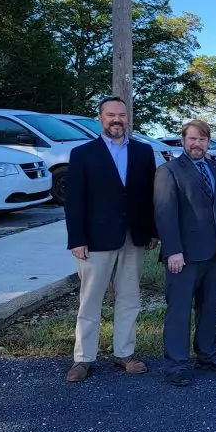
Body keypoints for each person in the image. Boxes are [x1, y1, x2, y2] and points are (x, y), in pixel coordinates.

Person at [64, 96, 158, 382]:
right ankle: (83, 358)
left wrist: (153, 230)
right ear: (100, 118)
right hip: (95, 239)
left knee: (129, 298)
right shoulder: (83, 153)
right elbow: (74, 201)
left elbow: (150, 196)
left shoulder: (144, 152)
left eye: (121, 115)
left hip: (134, 237)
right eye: (110, 115)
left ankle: (124, 354)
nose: (116, 120)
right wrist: (76, 238)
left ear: (128, 118)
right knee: (90, 300)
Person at [154, 119, 216, 387]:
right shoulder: (169, 171)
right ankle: (176, 365)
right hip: (185, 256)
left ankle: (207, 355)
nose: (197, 144)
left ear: (208, 142)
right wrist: (173, 251)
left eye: (202, 139)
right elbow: (165, 213)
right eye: (192, 139)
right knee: (179, 311)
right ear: (183, 140)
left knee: (210, 307)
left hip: (215, 252)